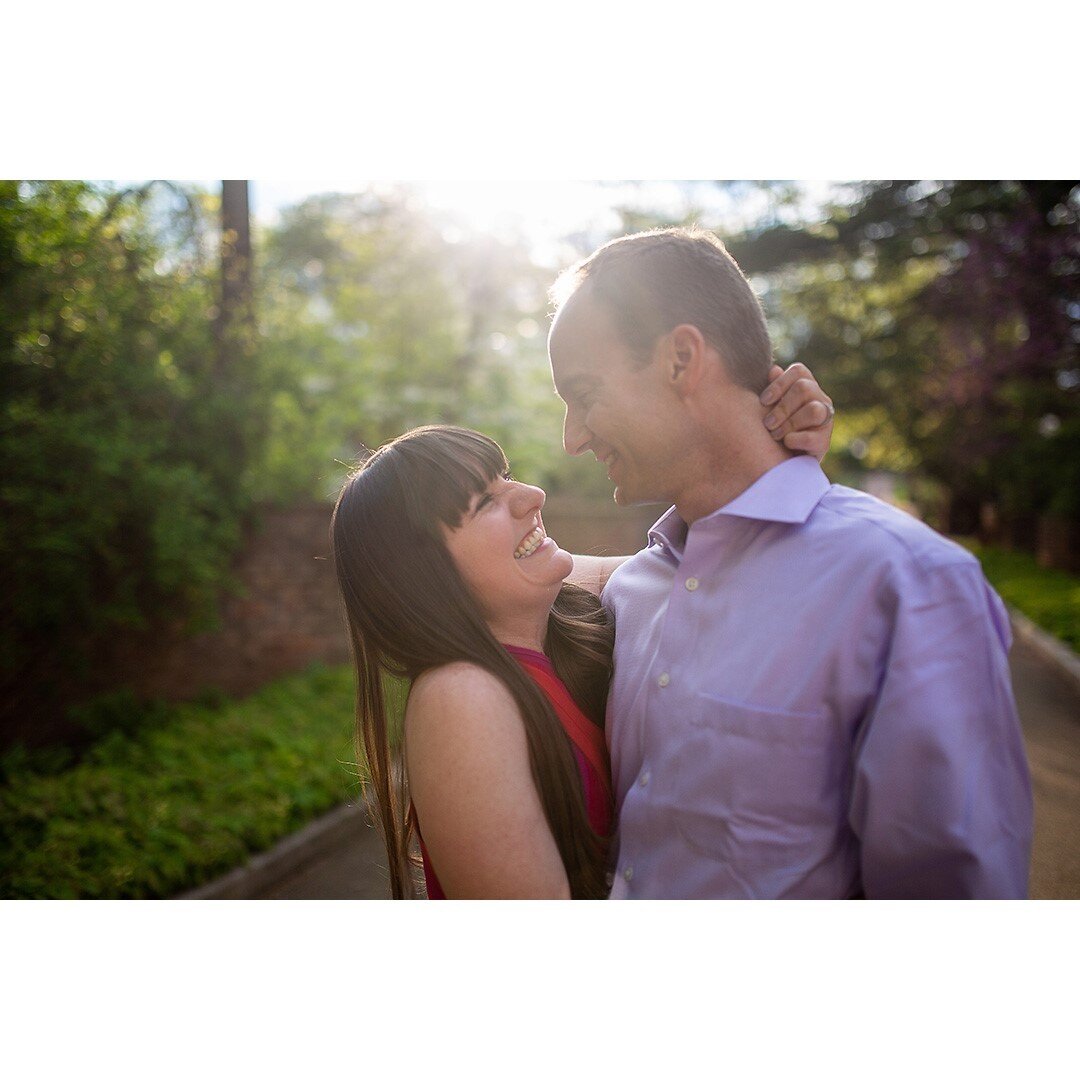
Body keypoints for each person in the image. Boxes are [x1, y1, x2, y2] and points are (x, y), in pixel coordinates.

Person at [547, 226, 1033, 899]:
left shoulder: (904, 581)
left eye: (584, 392)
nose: (572, 438)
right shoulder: (631, 593)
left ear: (682, 359)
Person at [329, 374, 833, 898]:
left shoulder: (564, 609)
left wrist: (772, 453)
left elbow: (715, 563)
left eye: (507, 477)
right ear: (422, 576)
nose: (532, 496)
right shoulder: (460, 696)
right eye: (484, 503)